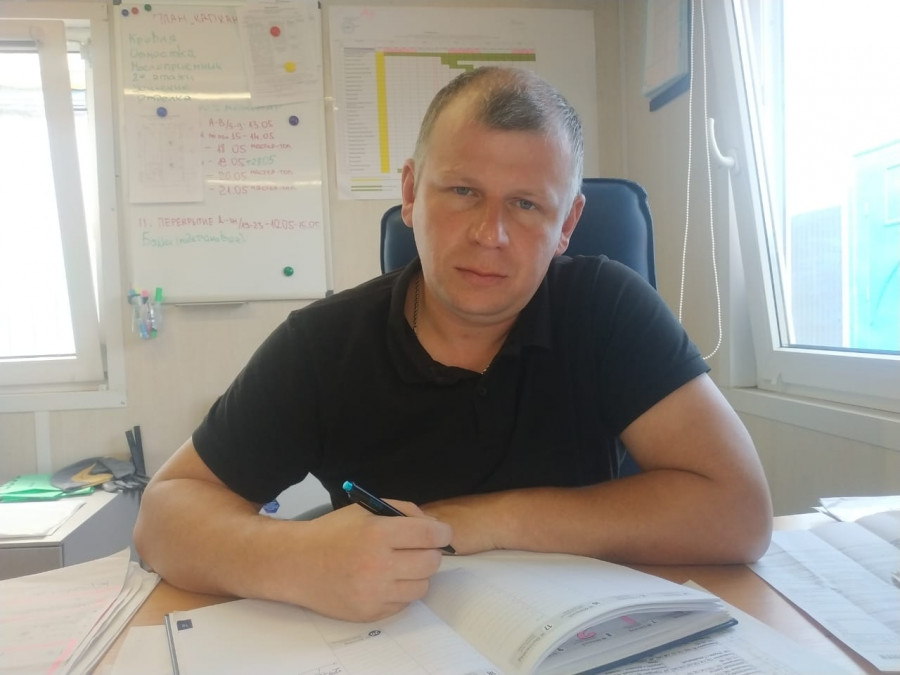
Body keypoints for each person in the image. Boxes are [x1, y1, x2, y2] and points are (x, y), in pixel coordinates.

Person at [134, 66, 772, 623]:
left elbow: (738, 512)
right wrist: (296, 559)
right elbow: (163, 516)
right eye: (464, 192)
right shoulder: (323, 344)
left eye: (526, 204)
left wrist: (484, 521)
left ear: (568, 223)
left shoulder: (608, 307)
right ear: (411, 193)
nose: (490, 234)